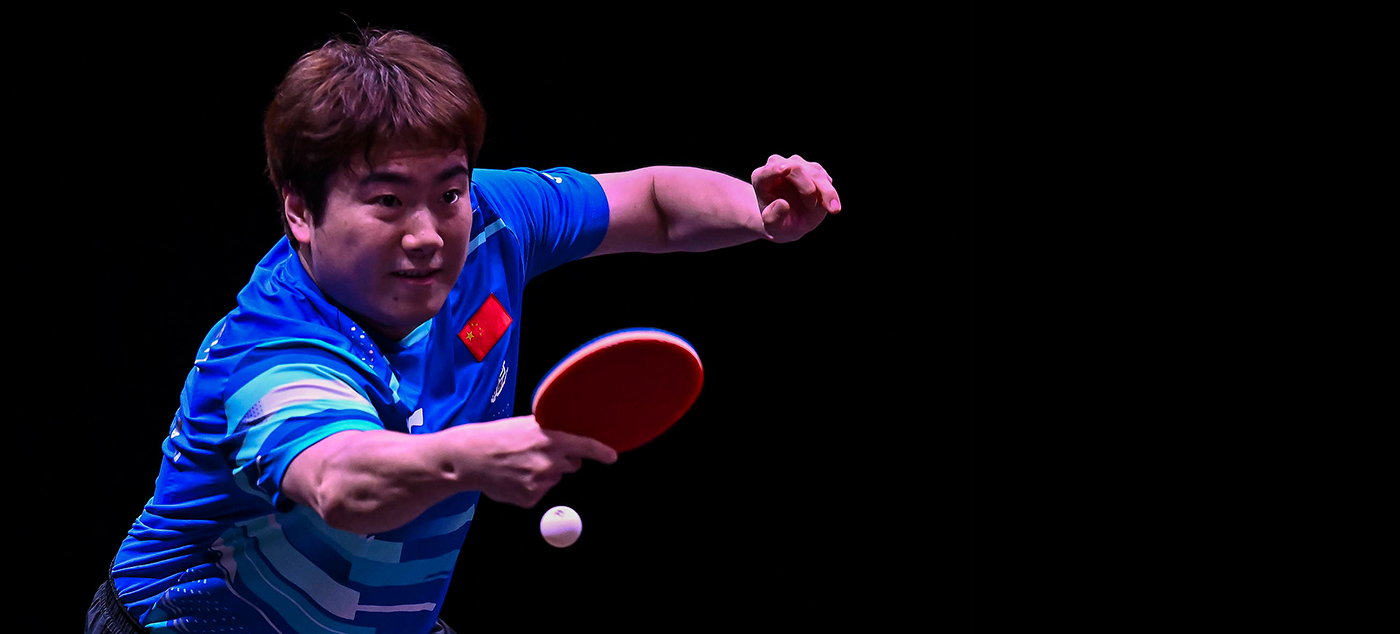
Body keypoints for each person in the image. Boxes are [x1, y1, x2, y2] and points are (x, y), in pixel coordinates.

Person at [86, 28, 840, 634]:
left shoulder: (491, 219)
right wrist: (469, 458)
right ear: (300, 212)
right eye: (387, 201)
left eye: (448, 192)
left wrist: (758, 214)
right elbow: (342, 483)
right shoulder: (273, 348)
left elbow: (653, 202)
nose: (427, 234)